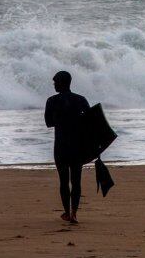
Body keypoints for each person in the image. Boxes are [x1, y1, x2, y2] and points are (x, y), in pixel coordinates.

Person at [44, 70, 90, 223]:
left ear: (62, 83)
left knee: (63, 181)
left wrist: (60, 118)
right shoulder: (81, 100)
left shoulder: (51, 101)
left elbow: (49, 123)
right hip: (77, 146)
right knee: (76, 180)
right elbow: (91, 122)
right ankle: (74, 213)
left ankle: (67, 212)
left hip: (61, 146)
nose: (54, 84)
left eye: (55, 82)